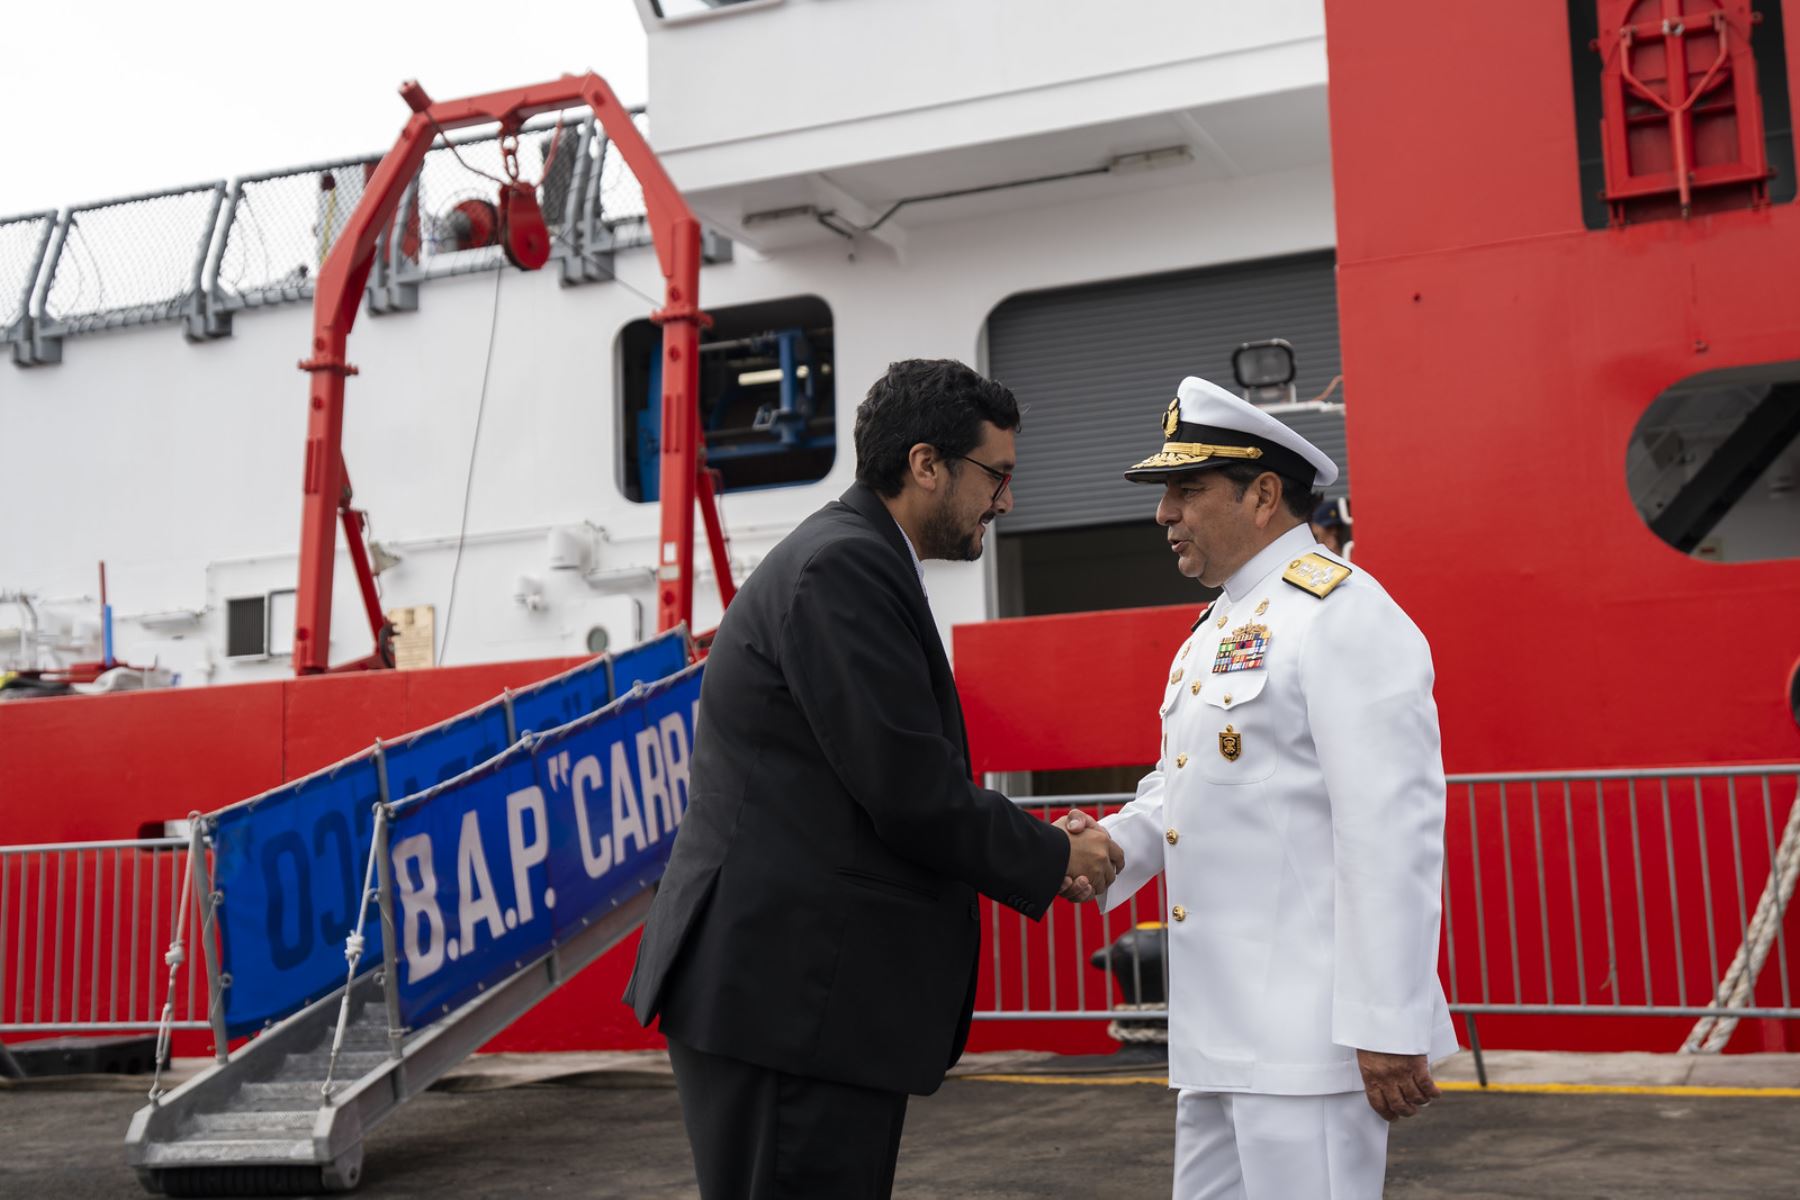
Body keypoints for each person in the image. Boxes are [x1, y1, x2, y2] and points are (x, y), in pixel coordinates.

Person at [624, 358, 1124, 1199]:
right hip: (788, 1004)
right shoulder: (843, 567)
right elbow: (906, 786)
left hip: (796, 1002)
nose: (1007, 501)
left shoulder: (852, 556)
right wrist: (1053, 854)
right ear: (926, 465)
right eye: (995, 476)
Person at [1097, 375, 1458, 1199]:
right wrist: (1111, 846)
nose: (1165, 515)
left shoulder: (1341, 614)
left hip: (1308, 1047)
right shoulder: (1217, 627)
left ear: (1263, 494)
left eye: (1186, 490)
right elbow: (1182, 790)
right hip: (1216, 1034)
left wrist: (1385, 1022)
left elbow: (1390, 829)